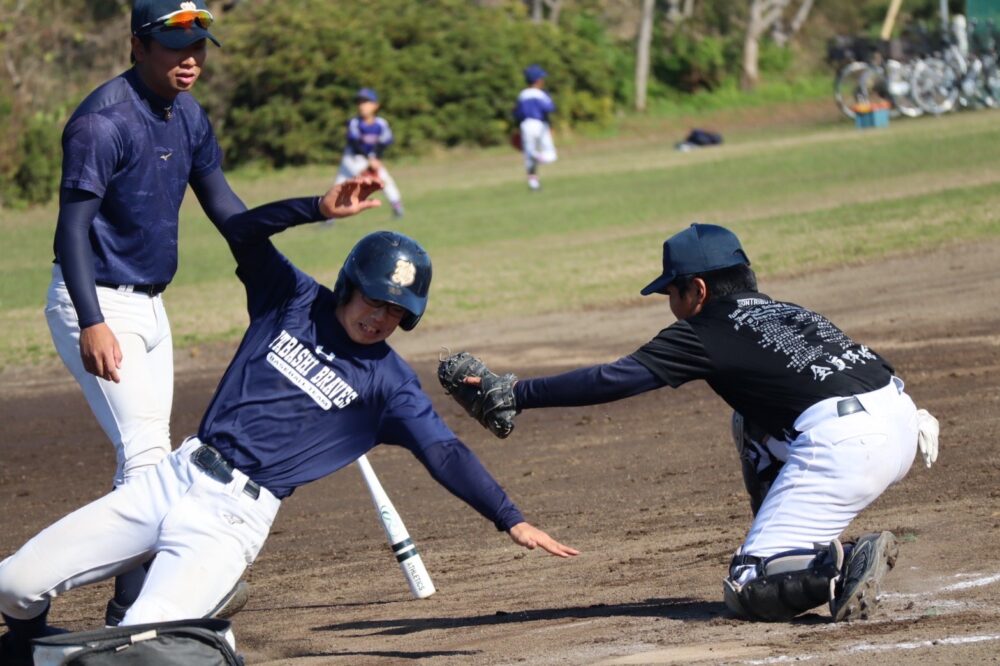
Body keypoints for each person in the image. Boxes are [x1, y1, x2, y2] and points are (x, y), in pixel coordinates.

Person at [0, 176, 578, 665]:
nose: (380, 318)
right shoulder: (292, 298)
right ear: (350, 286)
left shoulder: (390, 385)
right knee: (14, 584)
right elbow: (243, 233)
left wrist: (510, 519)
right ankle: (36, 648)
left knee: (144, 651)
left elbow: (445, 453)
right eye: (374, 301)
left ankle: (206, 640)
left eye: (397, 312)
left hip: (230, 519)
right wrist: (315, 209)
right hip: (171, 478)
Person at [439, 223, 941, 623]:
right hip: (901, 419)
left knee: (745, 588)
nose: (673, 308)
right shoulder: (788, 310)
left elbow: (614, 379)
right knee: (749, 424)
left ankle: (840, 562)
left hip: (847, 445)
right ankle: (792, 542)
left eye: (671, 295)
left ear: (697, 289)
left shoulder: (706, 329)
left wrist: (516, 393)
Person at [46, 0, 251, 626]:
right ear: (138, 47)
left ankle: (129, 603)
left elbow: (225, 206)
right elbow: (70, 234)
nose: (189, 60)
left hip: (151, 308)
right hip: (98, 300)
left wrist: (303, 223)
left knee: (152, 458)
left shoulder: (188, 115)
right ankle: (117, 601)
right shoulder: (101, 123)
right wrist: (91, 321)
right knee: (146, 461)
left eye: (197, 48)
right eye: (173, 46)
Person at [328, 87, 404, 220]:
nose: (362, 105)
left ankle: (397, 207)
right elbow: (355, 144)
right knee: (339, 186)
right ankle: (328, 216)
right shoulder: (355, 123)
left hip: (370, 159)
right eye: (359, 102)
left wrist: (376, 158)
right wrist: (371, 159)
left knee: (383, 179)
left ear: (375, 105)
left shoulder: (381, 123)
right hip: (352, 159)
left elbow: (385, 142)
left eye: (366, 102)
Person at [513, 64, 557, 191]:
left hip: (525, 126)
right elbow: (549, 108)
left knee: (528, 157)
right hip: (540, 125)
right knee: (550, 155)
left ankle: (533, 184)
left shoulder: (522, 95)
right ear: (538, 80)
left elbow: (516, 113)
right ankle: (537, 156)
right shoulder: (540, 94)